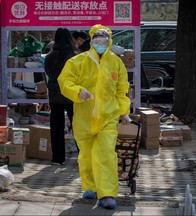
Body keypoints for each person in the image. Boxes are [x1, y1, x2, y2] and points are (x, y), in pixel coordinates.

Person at [58, 24, 131, 210]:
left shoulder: (116, 63)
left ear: (109, 41)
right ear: (91, 41)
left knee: (105, 154)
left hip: (108, 117)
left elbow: (122, 90)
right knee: (87, 155)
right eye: (97, 40)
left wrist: (124, 111)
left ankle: (106, 193)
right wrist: (77, 91)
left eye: (103, 40)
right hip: (84, 118)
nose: (100, 43)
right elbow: (64, 81)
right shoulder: (78, 61)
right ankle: (90, 187)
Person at [44, 28, 76, 165]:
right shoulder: (75, 56)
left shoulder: (50, 56)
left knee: (56, 127)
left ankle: (57, 158)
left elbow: (49, 74)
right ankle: (82, 155)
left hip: (55, 96)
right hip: (72, 95)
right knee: (78, 127)